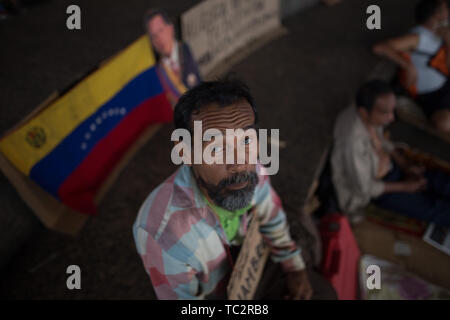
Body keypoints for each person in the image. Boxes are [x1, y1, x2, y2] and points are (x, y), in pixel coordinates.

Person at [133, 79, 336, 300]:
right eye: (217, 148)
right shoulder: (162, 234)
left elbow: (272, 217)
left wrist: (294, 268)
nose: (239, 162)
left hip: (255, 264)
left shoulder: (252, 169)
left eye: (246, 140)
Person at [331, 80, 450, 227]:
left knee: (439, 182)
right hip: (380, 190)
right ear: (364, 112)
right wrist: (405, 187)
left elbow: (381, 140)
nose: (392, 117)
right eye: (386, 113)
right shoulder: (351, 144)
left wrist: (404, 164)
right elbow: (365, 188)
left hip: (392, 168)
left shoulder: (369, 115)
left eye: (392, 110)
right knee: (439, 211)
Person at [373, 0, 450, 133]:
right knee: (444, 124)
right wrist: (407, 65)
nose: (447, 16)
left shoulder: (439, 35)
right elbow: (380, 48)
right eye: (444, 12)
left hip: (446, 85)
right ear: (434, 16)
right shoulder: (419, 37)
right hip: (432, 96)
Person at [144, 8, 202, 106]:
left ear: (171, 28)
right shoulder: (158, 72)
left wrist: (198, 122)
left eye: (161, 30)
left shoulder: (185, 51)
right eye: (154, 36)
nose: (159, 39)